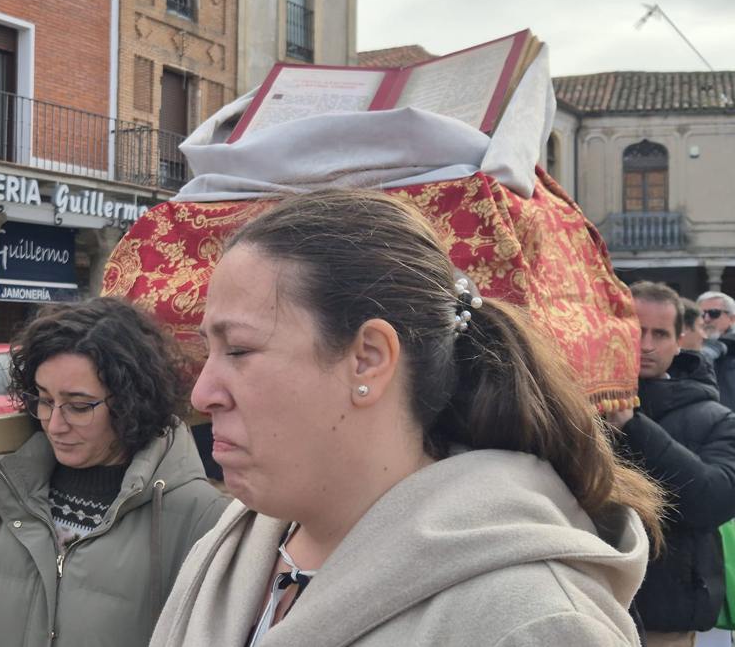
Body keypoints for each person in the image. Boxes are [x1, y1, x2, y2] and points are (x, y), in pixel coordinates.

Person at [151, 188, 663, 647]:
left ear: (369, 358)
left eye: (238, 350)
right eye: (208, 351)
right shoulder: (230, 548)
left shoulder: (533, 620)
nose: (202, 394)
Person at [0, 297, 229, 647]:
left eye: (79, 406)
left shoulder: (202, 515)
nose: (55, 424)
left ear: (134, 401)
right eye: (44, 400)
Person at [606, 282, 735, 647]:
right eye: (636, 331)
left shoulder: (717, 418)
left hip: (666, 624)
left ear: (679, 341)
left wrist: (632, 426)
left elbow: (714, 500)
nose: (646, 345)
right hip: (587, 611)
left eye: (659, 334)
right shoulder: (576, 408)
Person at [697, 291, 735, 411]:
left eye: (714, 313)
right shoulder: (689, 348)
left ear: (732, 318)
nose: (706, 319)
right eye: (701, 314)